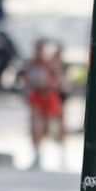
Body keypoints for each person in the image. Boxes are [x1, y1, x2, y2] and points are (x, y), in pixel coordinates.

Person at [19, 39, 67, 169]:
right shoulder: (31, 65)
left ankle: (62, 156)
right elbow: (25, 80)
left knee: (56, 127)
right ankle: (37, 155)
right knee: (36, 126)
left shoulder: (52, 64)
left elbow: (59, 83)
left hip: (51, 98)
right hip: (37, 98)